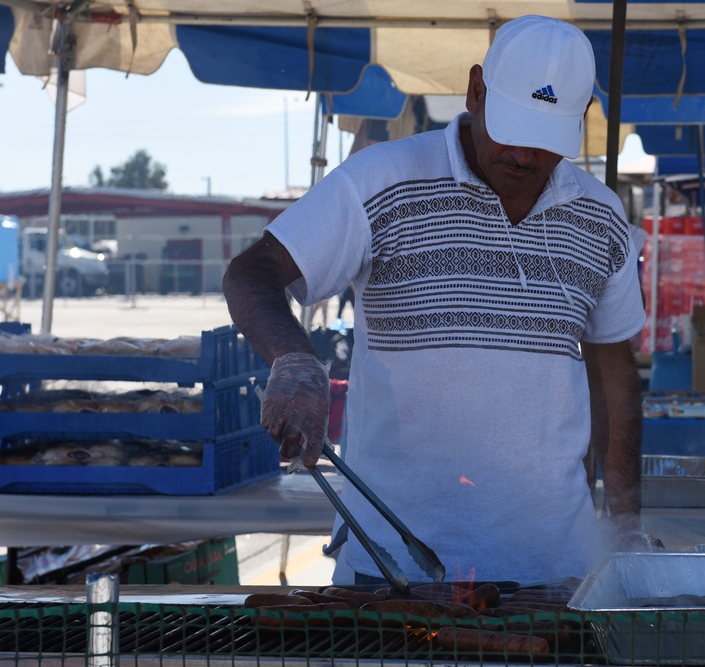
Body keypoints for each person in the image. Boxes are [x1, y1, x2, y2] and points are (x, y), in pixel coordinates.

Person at [223, 15, 647, 586]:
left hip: (555, 572)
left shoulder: (601, 217)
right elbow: (252, 272)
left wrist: (624, 527)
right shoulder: (382, 180)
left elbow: (613, 371)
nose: (524, 156)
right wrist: (294, 361)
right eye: (511, 128)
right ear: (475, 91)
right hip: (393, 572)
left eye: (545, 142)